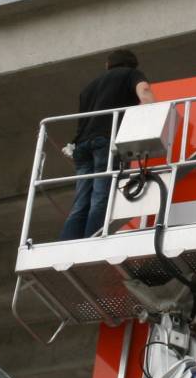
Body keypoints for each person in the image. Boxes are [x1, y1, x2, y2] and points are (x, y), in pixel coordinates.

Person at [61, 49, 155, 240]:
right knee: (101, 197)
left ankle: (68, 243)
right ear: (133, 64)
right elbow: (144, 91)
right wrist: (155, 115)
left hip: (82, 145)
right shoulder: (130, 74)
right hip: (106, 142)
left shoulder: (89, 87)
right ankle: (92, 242)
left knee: (81, 202)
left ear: (108, 65)